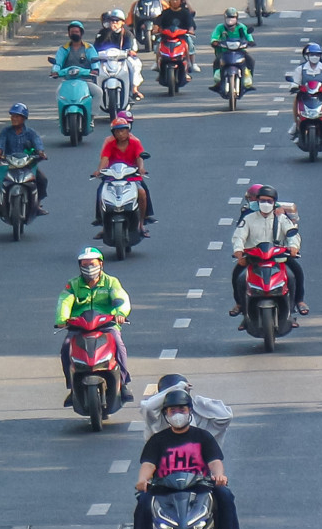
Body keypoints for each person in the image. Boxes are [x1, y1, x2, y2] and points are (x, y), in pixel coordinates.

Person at [132, 389, 239, 529]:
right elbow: (148, 465)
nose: (178, 414)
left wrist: (219, 476)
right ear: (166, 414)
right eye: (173, 411)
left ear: (189, 411)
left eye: (182, 410)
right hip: (164, 488)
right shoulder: (157, 440)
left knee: (224, 495)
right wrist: (143, 480)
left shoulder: (202, 436)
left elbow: (214, 461)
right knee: (144, 501)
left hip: (199, 487)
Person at [56, 247, 131, 402]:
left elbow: (120, 297)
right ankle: (72, 386)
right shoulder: (73, 284)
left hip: (106, 324)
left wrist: (120, 313)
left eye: (92, 264)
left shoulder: (111, 282)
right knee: (66, 348)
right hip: (79, 325)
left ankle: (123, 383)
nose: (89, 268)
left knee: (118, 344)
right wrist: (62, 319)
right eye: (85, 264)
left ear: (101, 264)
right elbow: (64, 301)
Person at [230, 183, 306, 318]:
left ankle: (297, 302)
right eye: (262, 201)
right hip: (253, 258)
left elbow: (292, 234)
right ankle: (241, 306)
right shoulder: (248, 218)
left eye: (269, 201)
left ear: (274, 203)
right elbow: (239, 236)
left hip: (278, 257)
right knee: (239, 278)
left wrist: (294, 247)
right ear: (257, 202)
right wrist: (238, 251)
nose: (266, 203)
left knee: (295, 275)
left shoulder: (281, 218)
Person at [93, 114, 152, 233]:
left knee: (142, 192)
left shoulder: (135, 142)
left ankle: (141, 222)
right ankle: (103, 224)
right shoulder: (110, 143)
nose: (120, 134)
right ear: (113, 133)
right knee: (101, 193)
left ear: (128, 130)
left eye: (123, 130)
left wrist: (141, 168)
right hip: (113, 175)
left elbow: (139, 156)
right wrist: (99, 171)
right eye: (117, 131)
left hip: (131, 175)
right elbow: (105, 159)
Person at [0, 104, 49, 214]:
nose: (14, 119)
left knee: (42, 180)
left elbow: (38, 144)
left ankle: (37, 205)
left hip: (27, 165)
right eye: (12, 116)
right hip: (9, 164)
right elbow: (0, 145)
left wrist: (41, 153)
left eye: (17, 116)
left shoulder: (31, 133)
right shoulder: (5, 132)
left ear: (24, 118)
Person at [141, 373, 232, 440]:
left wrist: (190, 399)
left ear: (190, 409)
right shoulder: (156, 422)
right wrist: (177, 388)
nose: (177, 415)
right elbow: (148, 407)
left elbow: (225, 416)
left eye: (182, 408)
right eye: (172, 409)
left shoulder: (199, 422)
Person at [94, 8, 144, 102]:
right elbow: (96, 47)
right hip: (104, 60)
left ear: (122, 22)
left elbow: (131, 48)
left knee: (134, 65)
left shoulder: (127, 34)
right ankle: (95, 91)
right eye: (112, 20)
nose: (114, 23)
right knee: (93, 68)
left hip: (121, 60)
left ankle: (133, 90)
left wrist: (130, 52)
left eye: (117, 21)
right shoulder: (102, 33)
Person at [210, 7, 256, 92]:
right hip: (224, 52)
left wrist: (250, 41)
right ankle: (217, 82)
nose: (230, 20)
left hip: (240, 52)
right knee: (216, 62)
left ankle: (249, 81)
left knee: (251, 61)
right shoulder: (220, 27)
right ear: (225, 18)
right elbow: (214, 36)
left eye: (233, 18)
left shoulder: (241, 27)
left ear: (236, 18)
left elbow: (248, 35)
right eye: (228, 18)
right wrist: (214, 42)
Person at [157, 0, 198, 71]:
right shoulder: (166, 12)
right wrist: (156, 29)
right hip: (167, 35)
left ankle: (192, 63)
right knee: (158, 44)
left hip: (182, 36)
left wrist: (191, 30)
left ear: (181, 1)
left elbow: (190, 24)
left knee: (189, 43)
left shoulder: (185, 12)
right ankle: (157, 64)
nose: (174, 1)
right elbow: (158, 23)